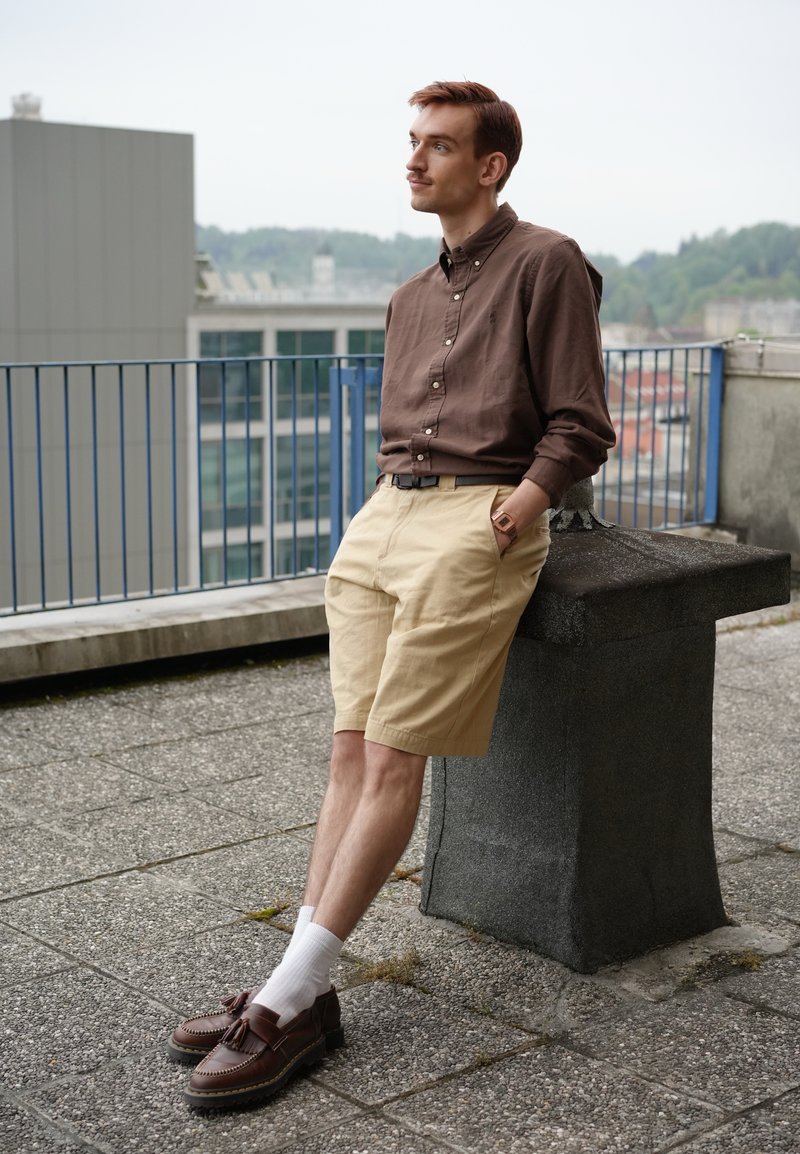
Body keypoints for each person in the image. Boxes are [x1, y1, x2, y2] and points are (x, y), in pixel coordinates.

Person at [168, 79, 615, 1110]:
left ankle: (285, 1001)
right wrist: (380, 510)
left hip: (476, 518)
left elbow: (579, 418)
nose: (413, 159)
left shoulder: (547, 260)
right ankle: (299, 985)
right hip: (385, 517)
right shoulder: (410, 296)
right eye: (411, 140)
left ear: (489, 165)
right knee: (347, 750)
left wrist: (525, 502)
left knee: (391, 757)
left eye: (438, 145)